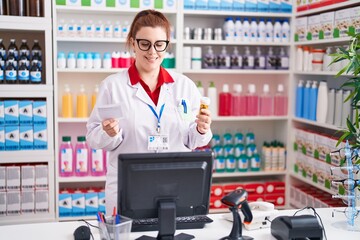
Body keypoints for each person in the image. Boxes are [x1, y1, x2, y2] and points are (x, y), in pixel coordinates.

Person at [86, 9, 213, 214]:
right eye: (144, 43)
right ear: (132, 42)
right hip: (129, 188)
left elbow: (194, 141)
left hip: (175, 187)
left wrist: (200, 129)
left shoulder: (184, 86)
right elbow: (93, 137)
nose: (152, 52)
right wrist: (109, 133)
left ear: (167, 45)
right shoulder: (113, 86)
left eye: (159, 44)